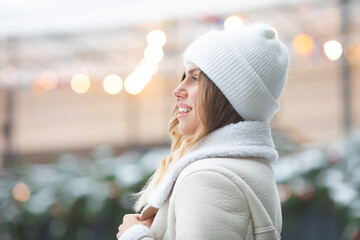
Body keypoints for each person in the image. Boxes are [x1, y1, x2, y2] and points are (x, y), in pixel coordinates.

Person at [116, 23, 289, 240]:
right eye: (184, 77)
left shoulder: (209, 177)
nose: (177, 90)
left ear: (224, 94)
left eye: (194, 78)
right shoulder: (249, 168)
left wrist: (134, 236)